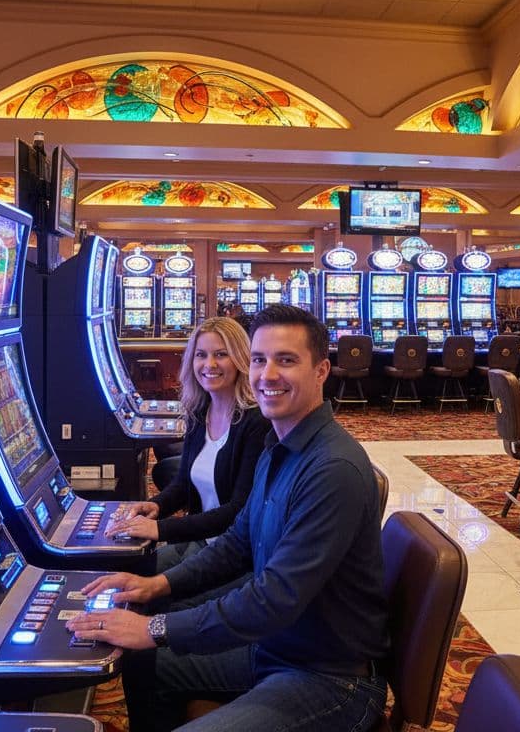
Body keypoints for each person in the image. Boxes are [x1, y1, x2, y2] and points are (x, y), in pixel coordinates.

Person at [66, 305, 388, 732]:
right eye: (259, 359)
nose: (267, 374)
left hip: (328, 676)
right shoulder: (281, 444)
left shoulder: (332, 470)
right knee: (144, 663)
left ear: (321, 370)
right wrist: (154, 585)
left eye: (286, 360)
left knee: (153, 641)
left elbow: (274, 599)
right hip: (276, 649)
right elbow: (238, 542)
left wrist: (156, 626)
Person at [108, 317, 270, 571]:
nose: (209, 364)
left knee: (148, 598)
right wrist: (156, 506)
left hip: (233, 551)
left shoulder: (256, 422)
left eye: (221, 354)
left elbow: (238, 511)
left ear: (240, 359)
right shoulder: (198, 412)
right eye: (201, 355)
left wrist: (159, 528)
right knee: (125, 569)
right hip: (201, 539)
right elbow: (183, 484)